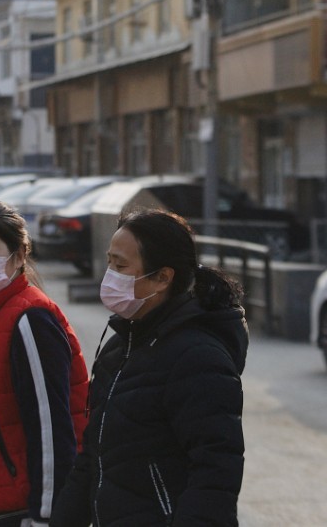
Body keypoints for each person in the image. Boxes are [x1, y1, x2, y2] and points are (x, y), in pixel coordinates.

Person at [51, 209, 247, 527]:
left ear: (162, 277)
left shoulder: (198, 357)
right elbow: (93, 458)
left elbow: (215, 474)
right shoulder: (118, 349)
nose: (110, 274)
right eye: (110, 262)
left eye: (121, 266)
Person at [0, 199, 90, 527]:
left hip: (24, 515)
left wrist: (45, 516)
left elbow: (51, 428)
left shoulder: (29, 319)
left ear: (19, 255)